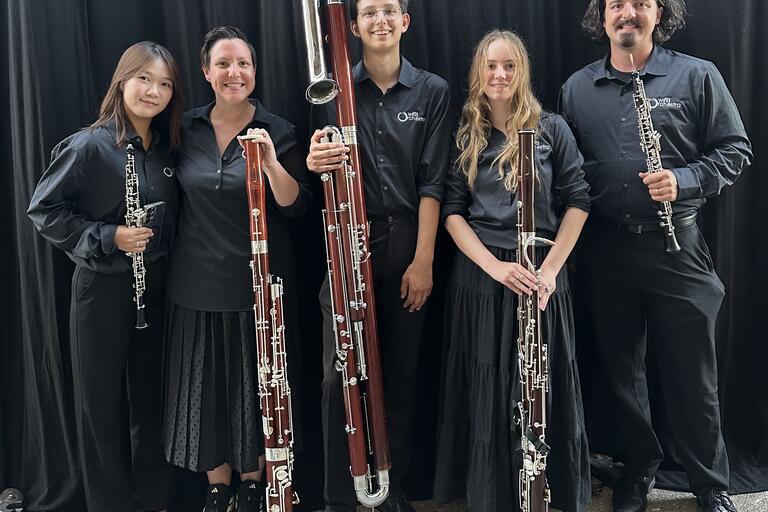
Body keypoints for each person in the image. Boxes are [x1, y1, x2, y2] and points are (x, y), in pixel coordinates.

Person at [559, 1, 753, 511]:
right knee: (622, 372)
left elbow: (735, 149)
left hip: (677, 245)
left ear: (659, 13)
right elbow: (568, 171)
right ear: (602, 17)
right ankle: (638, 469)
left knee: (693, 373)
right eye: (616, 4)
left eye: (640, 3)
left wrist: (683, 180)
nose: (628, 13)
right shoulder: (576, 88)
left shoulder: (697, 75)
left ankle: (710, 484)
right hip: (604, 247)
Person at [432, 30, 592, 512]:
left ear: (522, 72)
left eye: (509, 66)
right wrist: (495, 268)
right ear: (478, 73)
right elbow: (452, 213)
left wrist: (550, 272)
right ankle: (492, 495)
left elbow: (578, 201)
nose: (499, 75)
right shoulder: (465, 133)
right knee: (488, 386)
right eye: (491, 66)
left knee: (537, 385)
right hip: (483, 277)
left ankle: (540, 490)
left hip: (542, 275)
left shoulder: (552, 129)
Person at [305, 1, 451, 510]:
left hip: (408, 245)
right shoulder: (331, 91)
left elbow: (433, 183)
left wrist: (424, 261)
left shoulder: (433, 91)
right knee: (339, 375)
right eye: (369, 12)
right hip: (348, 245)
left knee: (401, 374)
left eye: (390, 10)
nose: (380, 20)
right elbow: (323, 163)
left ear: (405, 21)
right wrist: (316, 160)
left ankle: (392, 488)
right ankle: (340, 496)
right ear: (353, 26)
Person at [27, 41, 183, 512]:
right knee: (100, 409)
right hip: (103, 292)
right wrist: (109, 235)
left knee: (152, 404)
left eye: (164, 84)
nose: (153, 91)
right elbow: (44, 210)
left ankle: (154, 500)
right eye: (144, 79)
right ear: (122, 81)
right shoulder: (89, 145)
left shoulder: (167, 150)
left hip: (156, 291)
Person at [162, 26, 311, 512]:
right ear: (206, 72)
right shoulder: (184, 128)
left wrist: (269, 164)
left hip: (259, 288)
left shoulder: (277, 128)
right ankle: (216, 488)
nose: (234, 72)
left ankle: (251, 486)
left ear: (255, 70)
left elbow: (295, 206)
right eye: (223, 64)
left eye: (243, 63)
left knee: (254, 390)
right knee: (205, 392)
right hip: (195, 285)